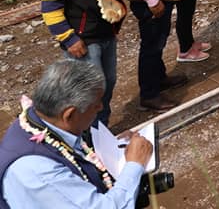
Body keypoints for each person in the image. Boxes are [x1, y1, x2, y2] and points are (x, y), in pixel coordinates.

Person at [0, 60, 153, 209]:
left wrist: (112, 146)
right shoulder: (40, 173)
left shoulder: (39, 118)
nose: (100, 108)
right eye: (95, 104)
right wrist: (135, 164)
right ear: (70, 115)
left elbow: (70, 149)